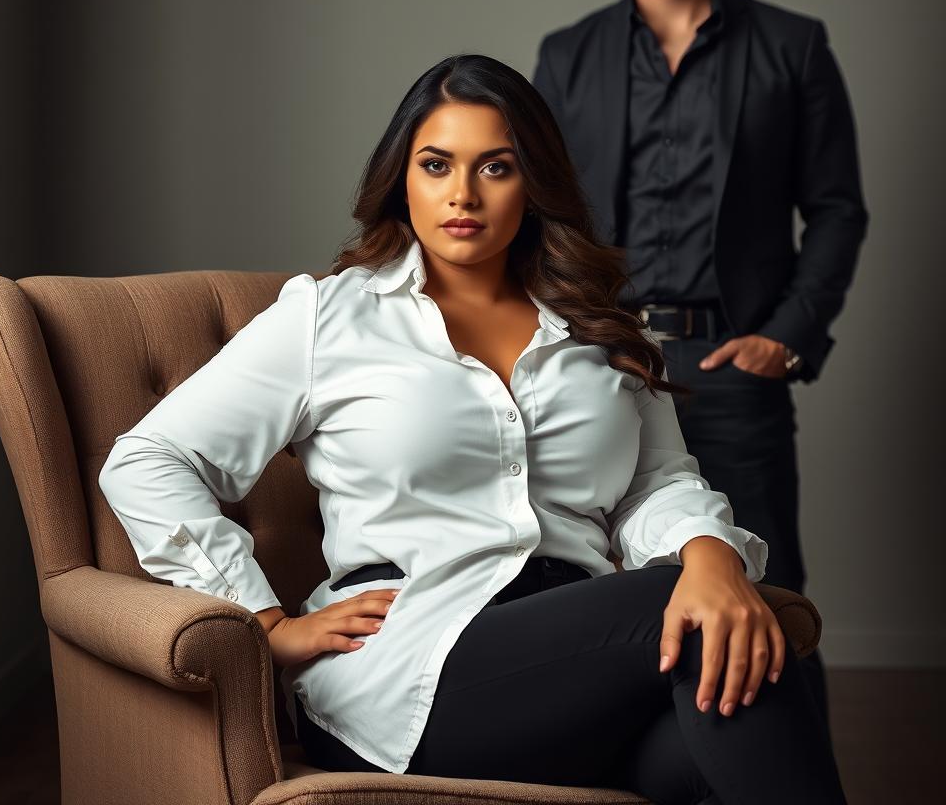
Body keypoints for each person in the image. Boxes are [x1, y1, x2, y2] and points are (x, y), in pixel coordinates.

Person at [98, 54, 849, 803]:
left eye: (495, 168)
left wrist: (712, 557)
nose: (462, 194)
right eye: (435, 165)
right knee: (676, 607)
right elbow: (148, 460)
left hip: (579, 666)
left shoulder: (601, 329)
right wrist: (263, 621)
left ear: (535, 183)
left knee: (739, 663)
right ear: (403, 179)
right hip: (407, 666)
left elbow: (658, 483)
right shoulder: (330, 317)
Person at [532, 0, 868, 732]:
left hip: (731, 366)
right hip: (602, 364)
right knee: (610, 602)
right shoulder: (567, 57)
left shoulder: (792, 48)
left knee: (771, 605)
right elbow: (541, 212)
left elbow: (837, 207)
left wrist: (787, 336)